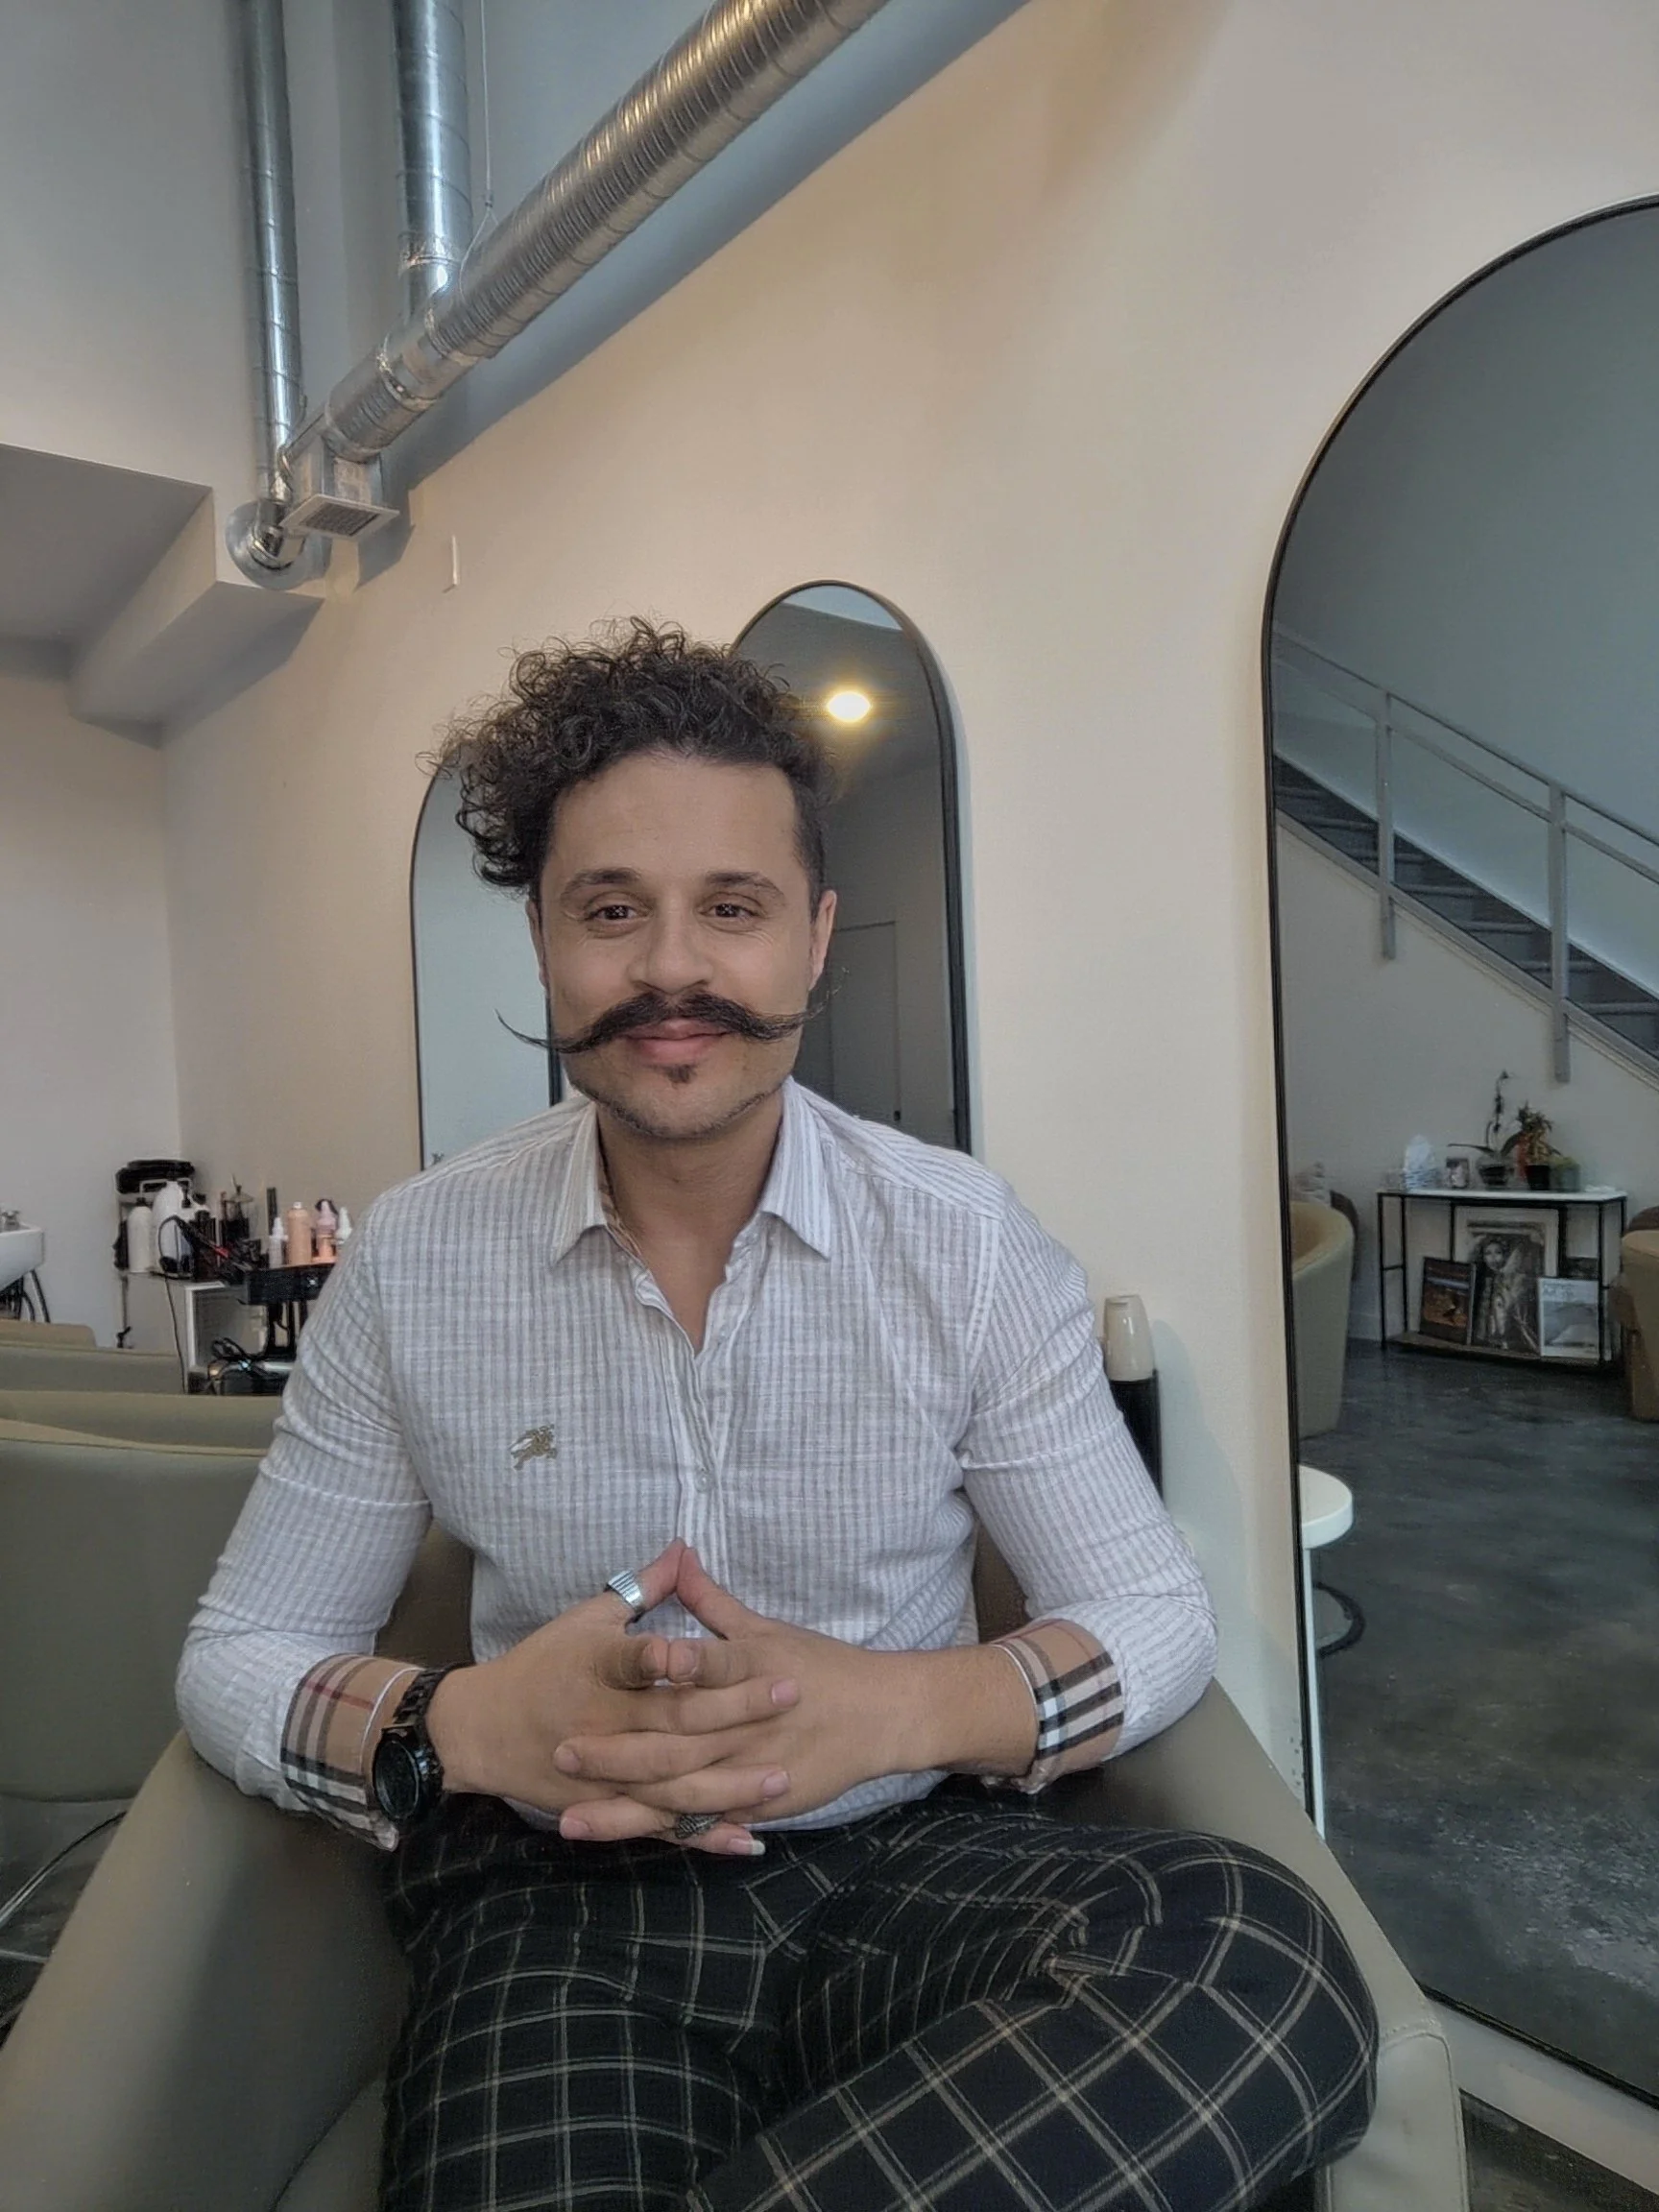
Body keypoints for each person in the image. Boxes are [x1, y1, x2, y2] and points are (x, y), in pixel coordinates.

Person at [179, 621, 1376, 2212]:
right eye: (612, 911)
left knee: (1261, 1963)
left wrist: (901, 1711)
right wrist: (463, 1723)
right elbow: (237, 1652)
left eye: (730, 910)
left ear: (812, 939)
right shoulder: (413, 1260)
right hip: (559, 1901)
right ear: (542, 941)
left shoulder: (965, 1240)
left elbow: (1148, 1609)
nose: (672, 971)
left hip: (911, 1863)